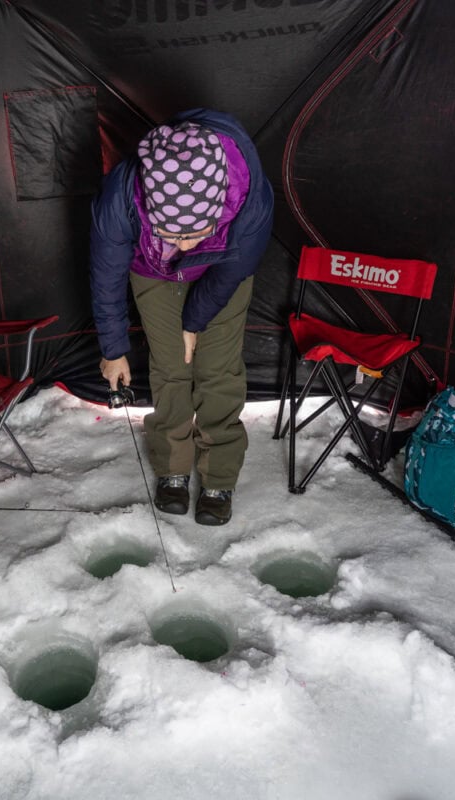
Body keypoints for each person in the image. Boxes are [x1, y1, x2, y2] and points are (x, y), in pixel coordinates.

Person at [89, 109, 274, 525]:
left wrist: (195, 320)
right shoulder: (120, 197)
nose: (185, 244)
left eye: (194, 233)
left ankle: (219, 476)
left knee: (218, 369)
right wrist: (113, 350)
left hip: (223, 269)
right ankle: (173, 467)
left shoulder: (251, 200)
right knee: (171, 366)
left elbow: (233, 268)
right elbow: (106, 276)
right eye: (172, 233)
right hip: (151, 272)